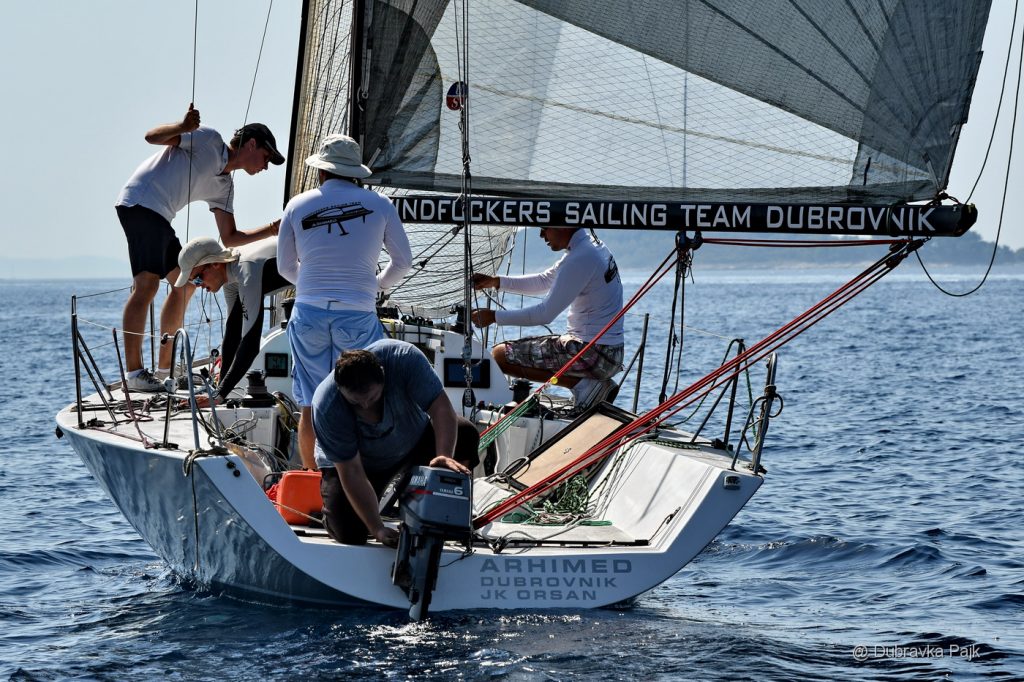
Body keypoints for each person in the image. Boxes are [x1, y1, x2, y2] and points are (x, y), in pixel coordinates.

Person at [116, 104, 285, 392]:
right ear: (251, 144)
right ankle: (134, 374)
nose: (266, 166)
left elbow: (230, 238)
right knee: (146, 285)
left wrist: (271, 229)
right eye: (266, 157)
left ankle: (165, 371)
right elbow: (151, 137)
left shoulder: (225, 187)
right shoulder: (209, 141)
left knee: (185, 284)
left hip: (159, 214)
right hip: (141, 203)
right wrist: (183, 127)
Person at [277, 134, 412, 471]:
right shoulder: (380, 204)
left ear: (321, 171)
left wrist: (312, 285)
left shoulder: (296, 205)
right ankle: (355, 482)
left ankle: (312, 478)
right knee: (360, 399)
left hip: (308, 312)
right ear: (355, 173)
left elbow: (284, 267)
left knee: (310, 403)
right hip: (357, 312)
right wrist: (376, 285)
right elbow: (403, 262)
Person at [311, 340, 480, 547]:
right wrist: (377, 528)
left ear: (384, 375)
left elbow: (441, 407)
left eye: (372, 397)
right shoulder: (327, 406)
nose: (365, 406)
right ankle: (334, 513)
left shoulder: (403, 359)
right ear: (339, 388)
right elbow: (352, 472)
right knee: (351, 533)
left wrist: (443, 455)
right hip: (361, 463)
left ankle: (444, 507)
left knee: (465, 433)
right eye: (355, 402)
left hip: (411, 442)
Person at [470, 226, 624, 410]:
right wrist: (496, 282)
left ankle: (584, 386)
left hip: (593, 355)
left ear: (563, 226)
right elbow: (545, 281)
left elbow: (545, 313)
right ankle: (589, 385)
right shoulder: (591, 247)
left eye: (545, 228)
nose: (541, 235)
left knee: (500, 355)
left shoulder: (579, 259)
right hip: (610, 354)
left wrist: (494, 317)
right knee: (506, 353)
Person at [174, 236, 290, 403]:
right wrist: (218, 392)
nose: (198, 286)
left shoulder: (246, 271)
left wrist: (219, 396)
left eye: (198, 278)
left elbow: (250, 344)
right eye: (193, 282)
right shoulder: (230, 278)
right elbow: (233, 335)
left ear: (215, 263)